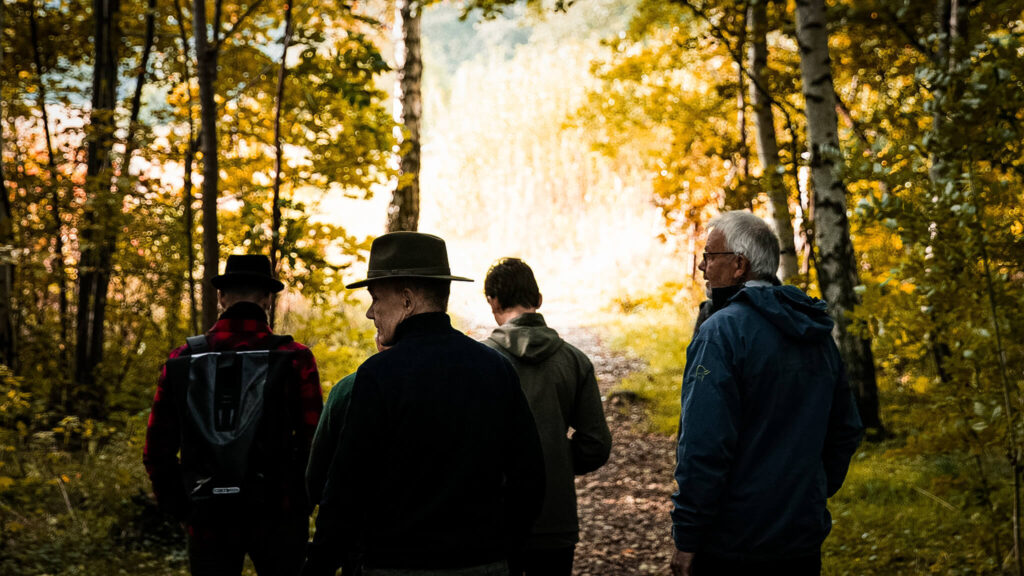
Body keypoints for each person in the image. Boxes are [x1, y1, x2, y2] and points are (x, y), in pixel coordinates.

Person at [303, 232, 546, 576]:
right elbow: (530, 478)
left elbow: (346, 490)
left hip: (396, 566)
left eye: (375, 297)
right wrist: (505, 552)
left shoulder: (378, 376)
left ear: (406, 299)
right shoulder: (494, 368)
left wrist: (320, 565)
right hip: (483, 564)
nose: (371, 313)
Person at [669, 211, 863, 576]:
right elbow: (846, 430)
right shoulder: (816, 334)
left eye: (710, 256)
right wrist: (808, 491)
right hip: (800, 541)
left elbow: (703, 445)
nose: (702, 267)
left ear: (739, 265)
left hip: (733, 545)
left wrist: (687, 537)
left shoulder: (721, 333)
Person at [144, 254, 324, 576]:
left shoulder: (182, 360)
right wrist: (299, 504)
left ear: (221, 297)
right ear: (268, 299)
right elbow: (315, 443)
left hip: (207, 515)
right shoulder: (294, 358)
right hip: (277, 516)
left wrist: (182, 508)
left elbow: (156, 449)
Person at [481, 257, 612, 576]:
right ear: (538, 300)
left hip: (495, 518)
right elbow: (595, 444)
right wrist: (556, 459)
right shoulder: (575, 360)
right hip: (556, 517)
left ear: (493, 301)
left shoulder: (479, 362)